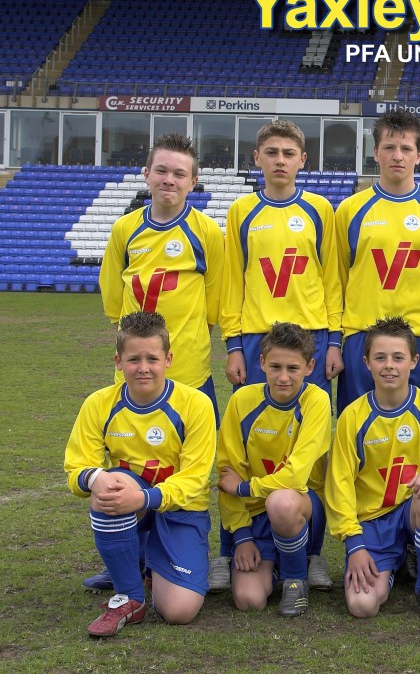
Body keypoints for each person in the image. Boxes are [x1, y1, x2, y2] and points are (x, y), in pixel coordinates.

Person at [90, 132, 223, 593]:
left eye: (179, 173)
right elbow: (114, 299)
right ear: (146, 174)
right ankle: (128, 559)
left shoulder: (207, 232)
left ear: (194, 181)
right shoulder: (125, 229)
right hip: (135, 379)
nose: (169, 179)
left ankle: (186, 558)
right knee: (130, 465)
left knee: (186, 472)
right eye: (161, 170)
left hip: (188, 373)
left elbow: (216, 301)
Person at [213, 119, 340, 594]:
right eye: (272, 152)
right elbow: (232, 280)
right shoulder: (242, 210)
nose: (281, 160)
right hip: (255, 338)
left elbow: (331, 280)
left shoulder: (319, 209)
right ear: (257, 159)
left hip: (308, 338)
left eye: (289, 152)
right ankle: (232, 547)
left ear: (303, 160)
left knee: (310, 453)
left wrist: (333, 341)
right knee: (245, 443)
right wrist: (232, 343)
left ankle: (309, 555)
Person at [64, 312, 216, 637]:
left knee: (178, 611)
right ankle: (129, 595)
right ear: (118, 362)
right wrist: (95, 479)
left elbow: (195, 479)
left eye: (152, 358)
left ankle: (144, 560)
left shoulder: (196, 405)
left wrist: (145, 496)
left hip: (181, 511)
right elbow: (77, 469)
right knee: (107, 482)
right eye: (134, 359)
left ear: (169, 359)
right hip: (133, 502)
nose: (143, 367)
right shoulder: (98, 404)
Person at [324, 316, 420, 623]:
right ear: (366, 363)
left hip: (413, 511)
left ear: (413, 361)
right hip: (373, 521)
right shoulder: (352, 417)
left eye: (398, 357)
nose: (389, 365)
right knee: (362, 605)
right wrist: (354, 543)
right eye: (380, 357)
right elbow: (339, 484)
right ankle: (391, 566)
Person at [335, 109, 420, 409]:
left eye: (406, 148)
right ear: (375, 153)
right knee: (359, 432)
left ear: (419, 155)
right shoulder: (350, 210)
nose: (397, 156)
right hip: (361, 336)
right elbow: (338, 279)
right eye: (389, 147)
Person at [216, 322, 331, 617]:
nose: (283, 377)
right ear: (261, 363)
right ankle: (273, 560)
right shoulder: (242, 401)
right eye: (275, 366)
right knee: (249, 599)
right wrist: (241, 537)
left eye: (293, 368)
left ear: (310, 367)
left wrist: (245, 487)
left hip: (298, 509)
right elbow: (227, 472)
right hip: (254, 517)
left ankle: (296, 578)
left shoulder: (316, 400)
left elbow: (294, 476)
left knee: (281, 499)